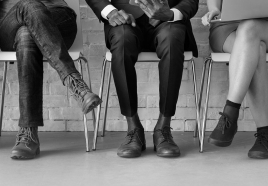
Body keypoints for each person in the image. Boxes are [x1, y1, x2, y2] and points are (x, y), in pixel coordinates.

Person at [85, 0, 198, 158]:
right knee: (122, 39)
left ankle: (163, 129)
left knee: (172, 38)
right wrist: (110, 12)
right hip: (124, 18)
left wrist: (172, 14)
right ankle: (133, 129)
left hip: (168, 19)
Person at [0, 0, 102, 160]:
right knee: (27, 5)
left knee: (26, 34)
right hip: (10, 23)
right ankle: (76, 83)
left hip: (56, 17)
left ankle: (28, 132)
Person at [201, 0, 268, 159]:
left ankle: (229, 115)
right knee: (256, 49)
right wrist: (213, 9)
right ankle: (264, 135)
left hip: (266, 26)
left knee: (249, 28)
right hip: (226, 27)